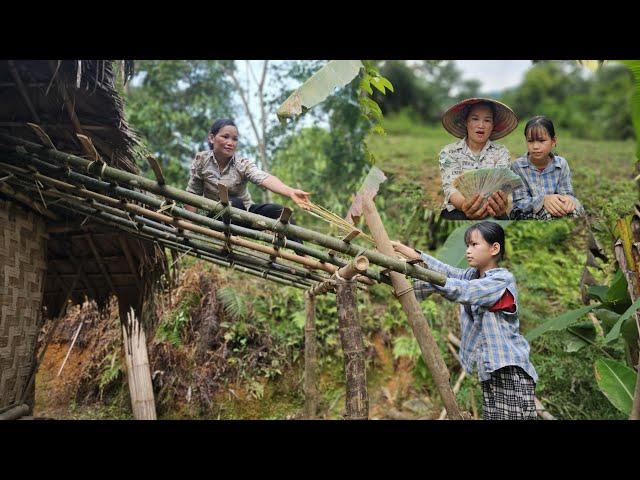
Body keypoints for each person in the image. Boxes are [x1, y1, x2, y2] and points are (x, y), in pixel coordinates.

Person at [391, 221, 538, 420]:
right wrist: (409, 253)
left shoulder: (501, 280)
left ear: (495, 248)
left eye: (474, 245)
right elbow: (446, 273)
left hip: (510, 370)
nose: (468, 251)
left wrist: (429, 280)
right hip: (490, 371)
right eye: (467, 245)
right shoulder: (472, 276)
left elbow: (463, 290)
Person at [185, 118, 311, 242]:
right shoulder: (201, 161)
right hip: (218, 217)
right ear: (212, 138)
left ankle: (304, 255)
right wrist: (187, 229)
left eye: (235, 139)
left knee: (279, 211)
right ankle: (230, 238)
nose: (231, 142)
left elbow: (263, 177)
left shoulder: (242, 164)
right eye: (225, 137)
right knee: (232, 203)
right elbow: (193, 194)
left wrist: (290, 192)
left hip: (245, 215)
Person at [439, 98, 518, 220]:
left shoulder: (501, 153)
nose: (481, 125)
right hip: (458, 211)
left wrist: (498, 204)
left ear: (492, 125)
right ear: (466, 122)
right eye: (475, 119)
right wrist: (465, 206)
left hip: (492, 211)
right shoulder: (449, 152)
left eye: (487, 120)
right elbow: (451, 189)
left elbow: (501, 187)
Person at [510, 116, 584, 220]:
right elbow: (520, 202)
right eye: (530, 141)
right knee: (547, 215)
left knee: (574, 211)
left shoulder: (561, 164)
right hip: (527, 213)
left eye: (541, 140)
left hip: (556, 208)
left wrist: (567, 201)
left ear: (553, 141)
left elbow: (567, 193)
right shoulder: (518, 167)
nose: (535, 146)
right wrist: (543, 200)